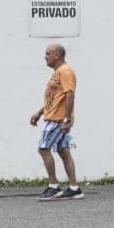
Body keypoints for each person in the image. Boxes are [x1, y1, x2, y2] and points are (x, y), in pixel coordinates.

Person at [30, 43, 82, 201]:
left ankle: (54, 186)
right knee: (63, 152)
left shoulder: (65, 71)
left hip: (57, 120)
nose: (45, 56)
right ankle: (74, 188)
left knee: (43, 149)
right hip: (54, 117)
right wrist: (39, 113)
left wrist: (66, 119)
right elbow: (55, 98)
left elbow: (69, 95)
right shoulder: (58, 72)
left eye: (48, 53)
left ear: (57, 55)